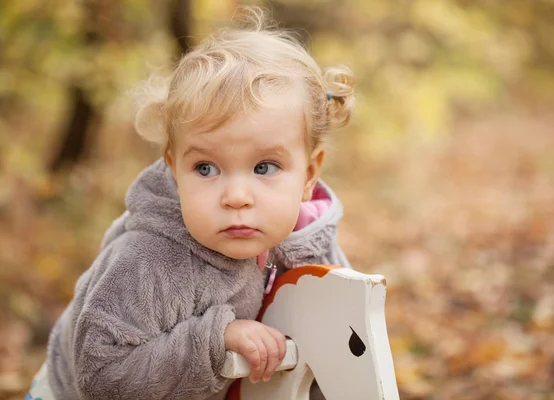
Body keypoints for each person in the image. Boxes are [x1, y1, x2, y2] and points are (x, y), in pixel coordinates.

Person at [27, 7, 355, 400]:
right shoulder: (149, 259)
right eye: (205, 168)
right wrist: (217, 340)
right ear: (174, 167)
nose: (236, 197)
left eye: (265, 166)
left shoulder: (310, 245)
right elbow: (102, 376)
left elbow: (343, 343)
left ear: (308, 175)